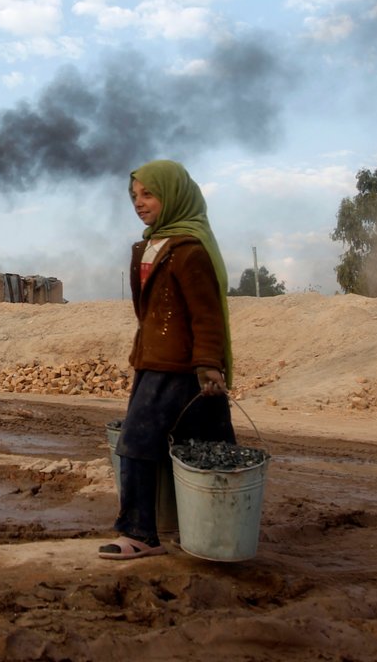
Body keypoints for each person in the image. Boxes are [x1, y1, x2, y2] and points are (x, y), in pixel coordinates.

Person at [99, 159, 237, 560]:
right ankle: (200, 529)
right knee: (197, 446)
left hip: (180, 367)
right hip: (152, 362)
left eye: (149, 194)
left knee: (137, 443)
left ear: (174, 196)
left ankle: (140, 533)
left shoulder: (190, 250)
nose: (139, 203)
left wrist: (209, 362)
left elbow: (206, 313)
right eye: (134, 196)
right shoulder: (149, 246)